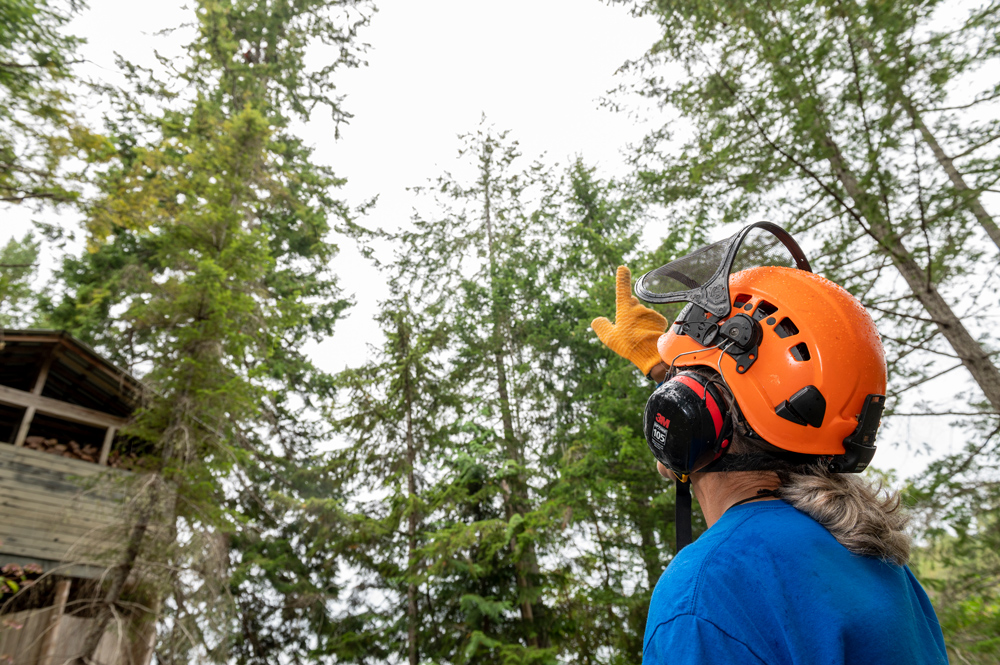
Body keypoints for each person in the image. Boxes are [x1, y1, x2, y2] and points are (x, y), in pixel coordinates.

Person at [592, 224, 949, 665]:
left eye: (678, 381)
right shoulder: (883, 568)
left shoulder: (709, 588)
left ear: (691, 420)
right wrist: (667, 368)